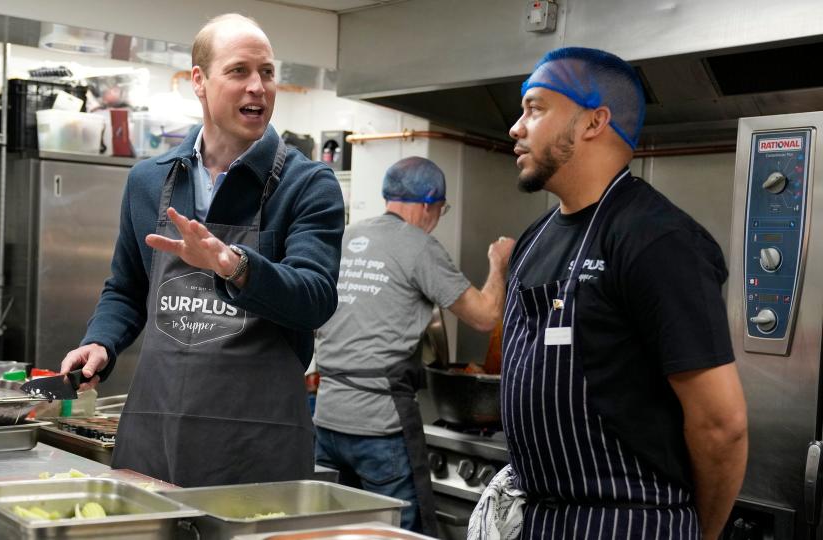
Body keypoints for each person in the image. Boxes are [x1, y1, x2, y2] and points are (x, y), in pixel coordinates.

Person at [60, 13, 345, 487]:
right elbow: (127, 288)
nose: (258, 86)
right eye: (239, 71)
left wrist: (233, 266)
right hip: (156, 432)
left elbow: (316, 297)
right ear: (199, 80)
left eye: (267, 73)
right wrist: (100, 341)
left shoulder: (307, 184)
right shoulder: (148, 181)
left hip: (257, 445)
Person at [497, 47, 747, 539]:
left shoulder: (659, 240)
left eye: (535, 108)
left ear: (594, 121)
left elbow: (722, 424)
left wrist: (705, 534)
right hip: (542, 520)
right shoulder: (534, 239)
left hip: (629, 521)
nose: (515, 128)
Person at [313, 156, 513, 534]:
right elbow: (485, 316)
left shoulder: (345, 236)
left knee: (336, 531)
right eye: (441, 209)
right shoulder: (419, 246)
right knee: (397, 532)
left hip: (326, 418)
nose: (438, 216)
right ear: (428, 204)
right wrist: (498, 262)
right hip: (379, 426)